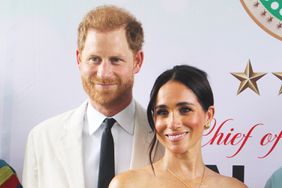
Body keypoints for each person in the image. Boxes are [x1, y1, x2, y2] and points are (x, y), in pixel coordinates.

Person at [22, 5, 163, 188]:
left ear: (137, 61)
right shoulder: (41, 139)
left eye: (115, 60)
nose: (104, 73)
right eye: (94, 59)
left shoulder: (166, 140)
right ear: (79, 59)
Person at [110, 65, 247, 188]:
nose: (172, 123)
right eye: (162, 112)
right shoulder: (126, 185)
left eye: (185, 110)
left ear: (208, 116)